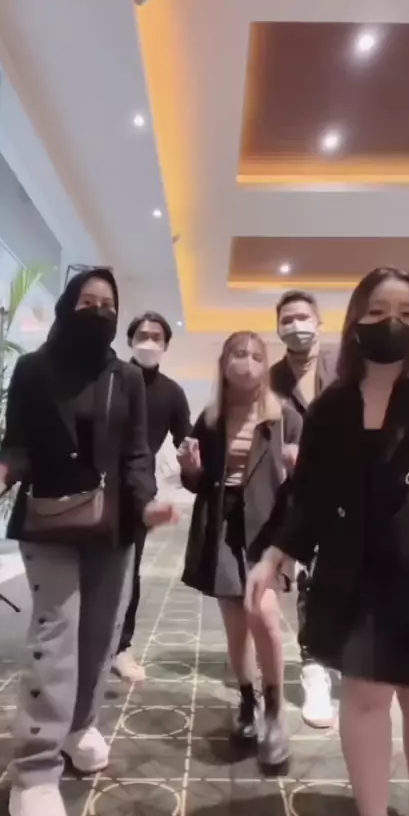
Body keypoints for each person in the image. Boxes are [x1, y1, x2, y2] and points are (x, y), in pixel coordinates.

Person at [246, 266, 409, 816]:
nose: (393, 323)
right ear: (356, 320)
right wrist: (274, 554)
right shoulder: (332, 406)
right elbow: (308, 496)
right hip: (352, 574)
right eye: (379, 312)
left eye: (407, 314)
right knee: (364, 698)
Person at [0, 269, 177, 816]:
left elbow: (136, 454)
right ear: (68, 306)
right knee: (57, 636)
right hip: (50, 523)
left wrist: (147, 502)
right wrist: (2, 470)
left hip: (113, 528)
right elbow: (18, 444)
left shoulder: (125, 377)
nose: (98, 310)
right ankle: (36, 769)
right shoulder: (33, 370)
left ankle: (80, 726)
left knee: (99, 637)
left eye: (107, 304)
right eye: (87, 301)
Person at [177, 330, 302, 772]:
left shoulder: (283, 416)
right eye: (237, 354)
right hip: (221, 526)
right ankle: (248, 702)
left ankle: (275, 710)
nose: (246, 362)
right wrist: (190, 468)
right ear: (224, 363)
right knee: (235, 625)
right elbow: (196, 482)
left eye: (254, 355)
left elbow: (306, 482)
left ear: (265, 364)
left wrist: (297, 467)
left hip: (268, 526)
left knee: (263, 614)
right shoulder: (211, 418)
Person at [270, 289, 336, 728]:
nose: (296, 326)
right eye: (287, 319)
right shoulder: (271, 378)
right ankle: (314, 670)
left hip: (351, 491)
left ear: (319, 321)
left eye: (303, 317)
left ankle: (345, 658)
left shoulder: (344, 366)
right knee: (308, 580)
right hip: (296, 495)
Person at [113, 311, 191, 681]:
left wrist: (194, 458)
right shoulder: (111, 378)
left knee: (129, 571)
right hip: (97, 486)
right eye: (142, 335)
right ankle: (82, 643)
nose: (148, 342)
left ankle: (121, 646)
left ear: (166, 344)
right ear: (129, 340)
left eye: (156, 336)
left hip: (139, 492)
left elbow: (186, 438)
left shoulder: (172, 393)